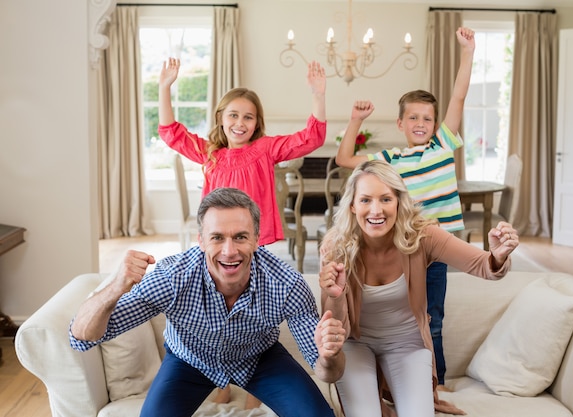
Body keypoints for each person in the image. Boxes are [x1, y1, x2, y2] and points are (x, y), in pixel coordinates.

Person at [70, 187, 346, 417]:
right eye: (217, 238)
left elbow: (328, 373)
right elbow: (82, 336)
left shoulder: (286, 284)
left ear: (257, 240)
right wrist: (116, 286)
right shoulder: (173, 277)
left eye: (240, 237)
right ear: (200, 240)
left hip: (259, 357)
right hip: (189, 359)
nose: (229, 251)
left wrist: (329, 354)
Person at [319, 160, 519, 417]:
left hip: (407, 343)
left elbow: (483, 265)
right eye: (366, 200)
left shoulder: (423, 236)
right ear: (352, 205)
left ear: (399, 202)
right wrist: (335, 296)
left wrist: (498, 255)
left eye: (386, 199)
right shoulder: (336, 246)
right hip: (356, 344)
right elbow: (334, 328)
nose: (376, 210)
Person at [334, 27, 475, 387]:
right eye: (413, 117)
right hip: (402, 250)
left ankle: (436, 383)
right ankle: (397, 376)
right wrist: (356, 120)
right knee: (406, 316)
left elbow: (458, 96)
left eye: (427, 118)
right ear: (400, 123)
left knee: (433, 317)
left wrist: (467, 52)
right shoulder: (389, 159)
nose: (420, 124)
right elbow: (345, 157)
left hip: (436, 249)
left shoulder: (442, 146)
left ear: (436, 124)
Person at [158, 58, 327, 246]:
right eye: (233, 115)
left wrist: (318, 95)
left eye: (248, 117)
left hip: (252, 240)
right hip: (217, 237)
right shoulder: (209, 153)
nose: (240, 123)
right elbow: (170, 132)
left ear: (256, 124)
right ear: (221, 118)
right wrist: (164, 88)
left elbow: (312, 138)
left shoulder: (266, 149)